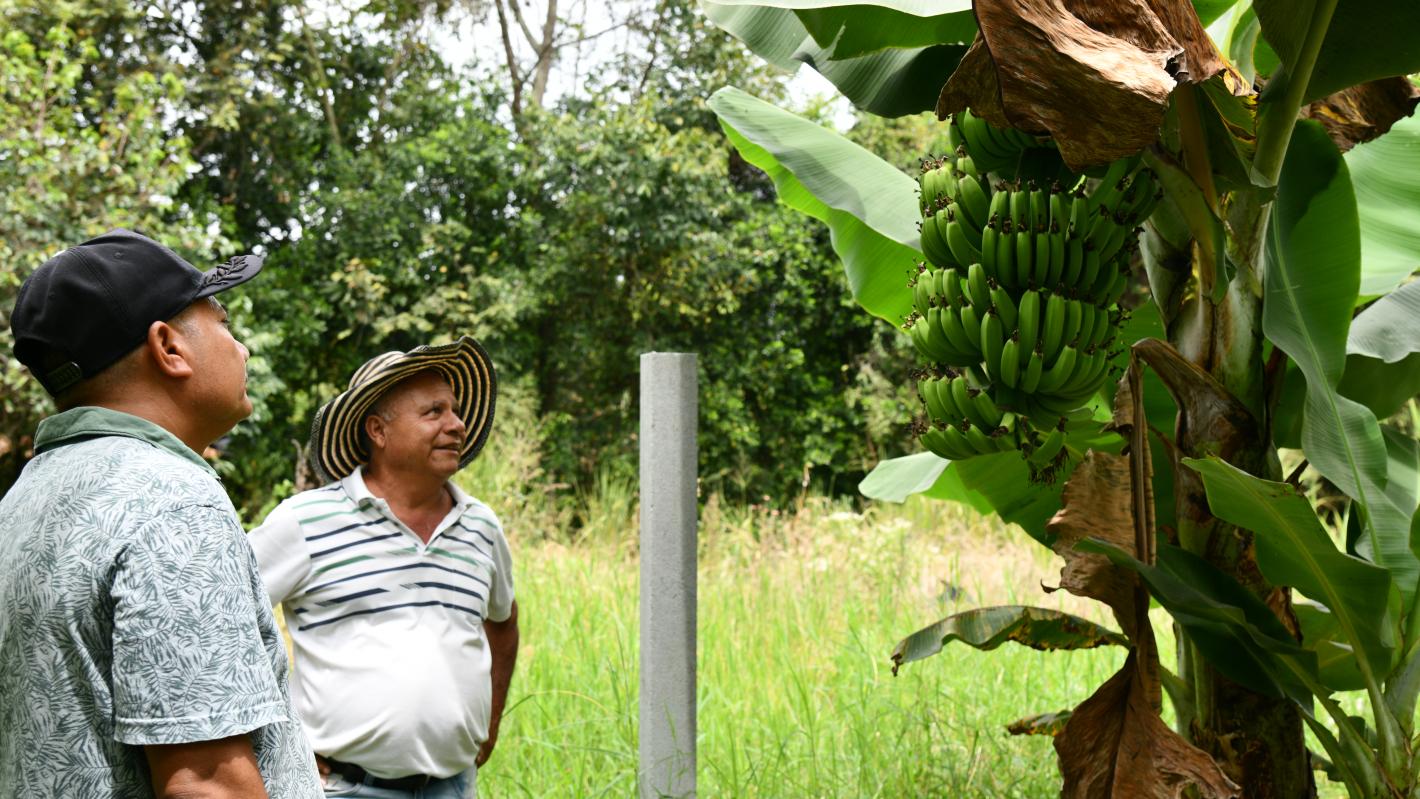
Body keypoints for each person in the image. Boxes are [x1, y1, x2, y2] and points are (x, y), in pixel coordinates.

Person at [0, 228, 323, 798]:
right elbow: (208, 786)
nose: (242, 349)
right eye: (223, 323)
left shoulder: (21, 500)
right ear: (169, 347)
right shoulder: (172, 504)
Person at [249, 338, 517, 798]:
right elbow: (221, 618)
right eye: (434, 412)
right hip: (342, 789)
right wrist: (274, 734)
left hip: (453, 787)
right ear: (378, 430)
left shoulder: (481, 526)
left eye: (455, 411)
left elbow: (504, 622)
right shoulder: (306, 521)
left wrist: (489, 723)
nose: (457, 425)